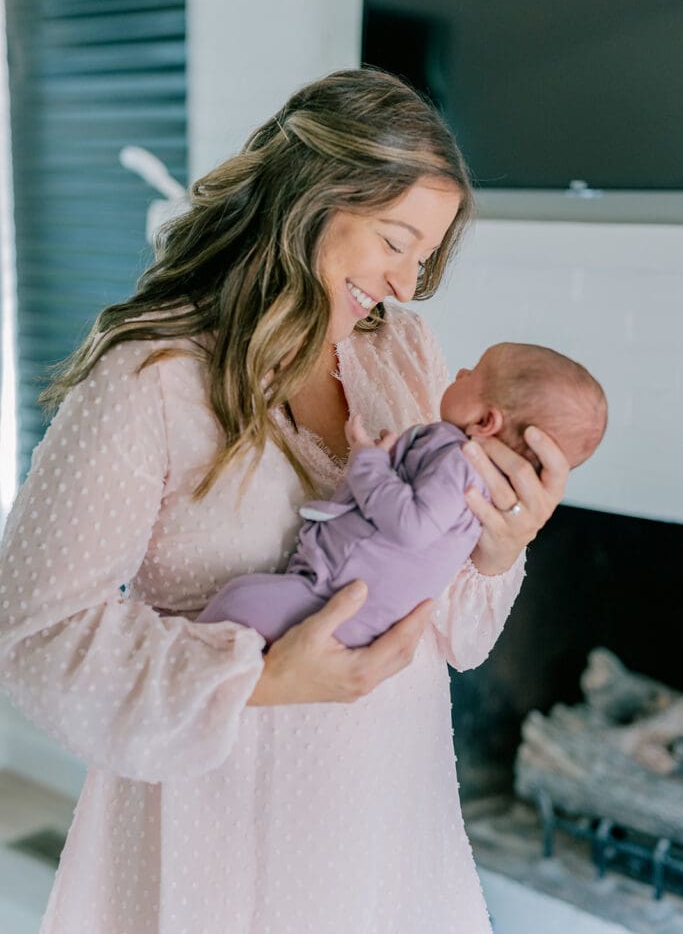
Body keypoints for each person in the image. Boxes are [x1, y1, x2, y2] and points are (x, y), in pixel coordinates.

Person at [0, 69, 570, 933]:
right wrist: (258, 679)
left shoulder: (403, 358)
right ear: (310, 199)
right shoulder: (150, 377)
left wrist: (497, 549)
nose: (408, 285)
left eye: (424, 257)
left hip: (390, 821)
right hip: (220, 828)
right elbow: (35, 635)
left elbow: (454, 636)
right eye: (393, 240)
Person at [197, 342, 607, 648]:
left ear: (485, 420)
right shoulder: (467, 470)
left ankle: (206, 674)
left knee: (239, 603)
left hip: (332, 602)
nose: (460, 372)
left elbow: (412, 526)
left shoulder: (459, 462)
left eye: (473, 374)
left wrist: (368, 461)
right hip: (345, 603)